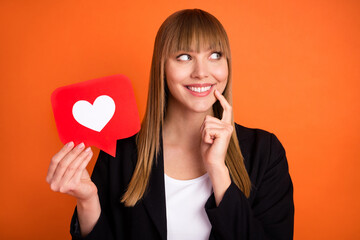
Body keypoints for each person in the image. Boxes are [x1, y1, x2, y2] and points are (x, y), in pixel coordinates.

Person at [46, 9, 294, 240]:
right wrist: (88, 201)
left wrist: (218, 170)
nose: (201, 72)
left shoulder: (265, 152)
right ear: (162, 67)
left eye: (215, 55)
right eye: (184, 57)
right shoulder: (122, 152)